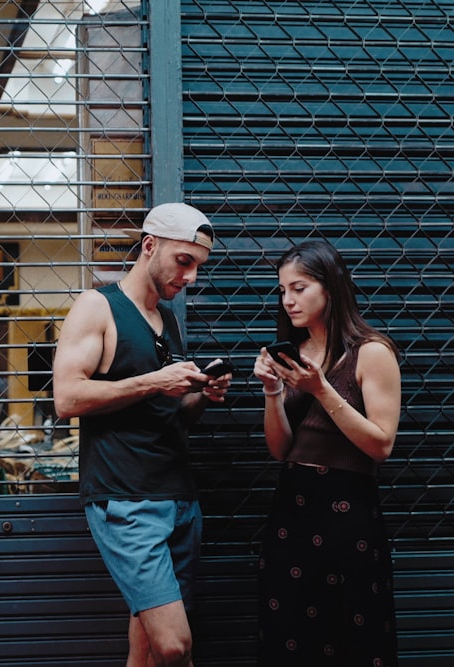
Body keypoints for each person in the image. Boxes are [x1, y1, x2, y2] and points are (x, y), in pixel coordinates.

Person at [53, 202, 231, 667]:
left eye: (198, 266)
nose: (190, 277)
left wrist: (199, 395)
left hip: (178, 498)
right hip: (126, 500)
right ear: (150, 246)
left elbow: (164, 415)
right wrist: (155, 381)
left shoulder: (167, 321)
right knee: (176, 645)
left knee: (149, 649)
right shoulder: (99, 306)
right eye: (184, 261)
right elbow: (67, 398)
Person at [253, 239, 401, 666]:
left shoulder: (371, 352)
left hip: (347, 511)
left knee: (353, 634)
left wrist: (321, 388)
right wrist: (271, 392)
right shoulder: (292, 356)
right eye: (282, 290)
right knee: (290, 636)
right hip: (291, 511)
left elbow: (381, 444)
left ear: (330, 288)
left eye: (299, 288)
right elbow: (280, 450)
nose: (288, 300)